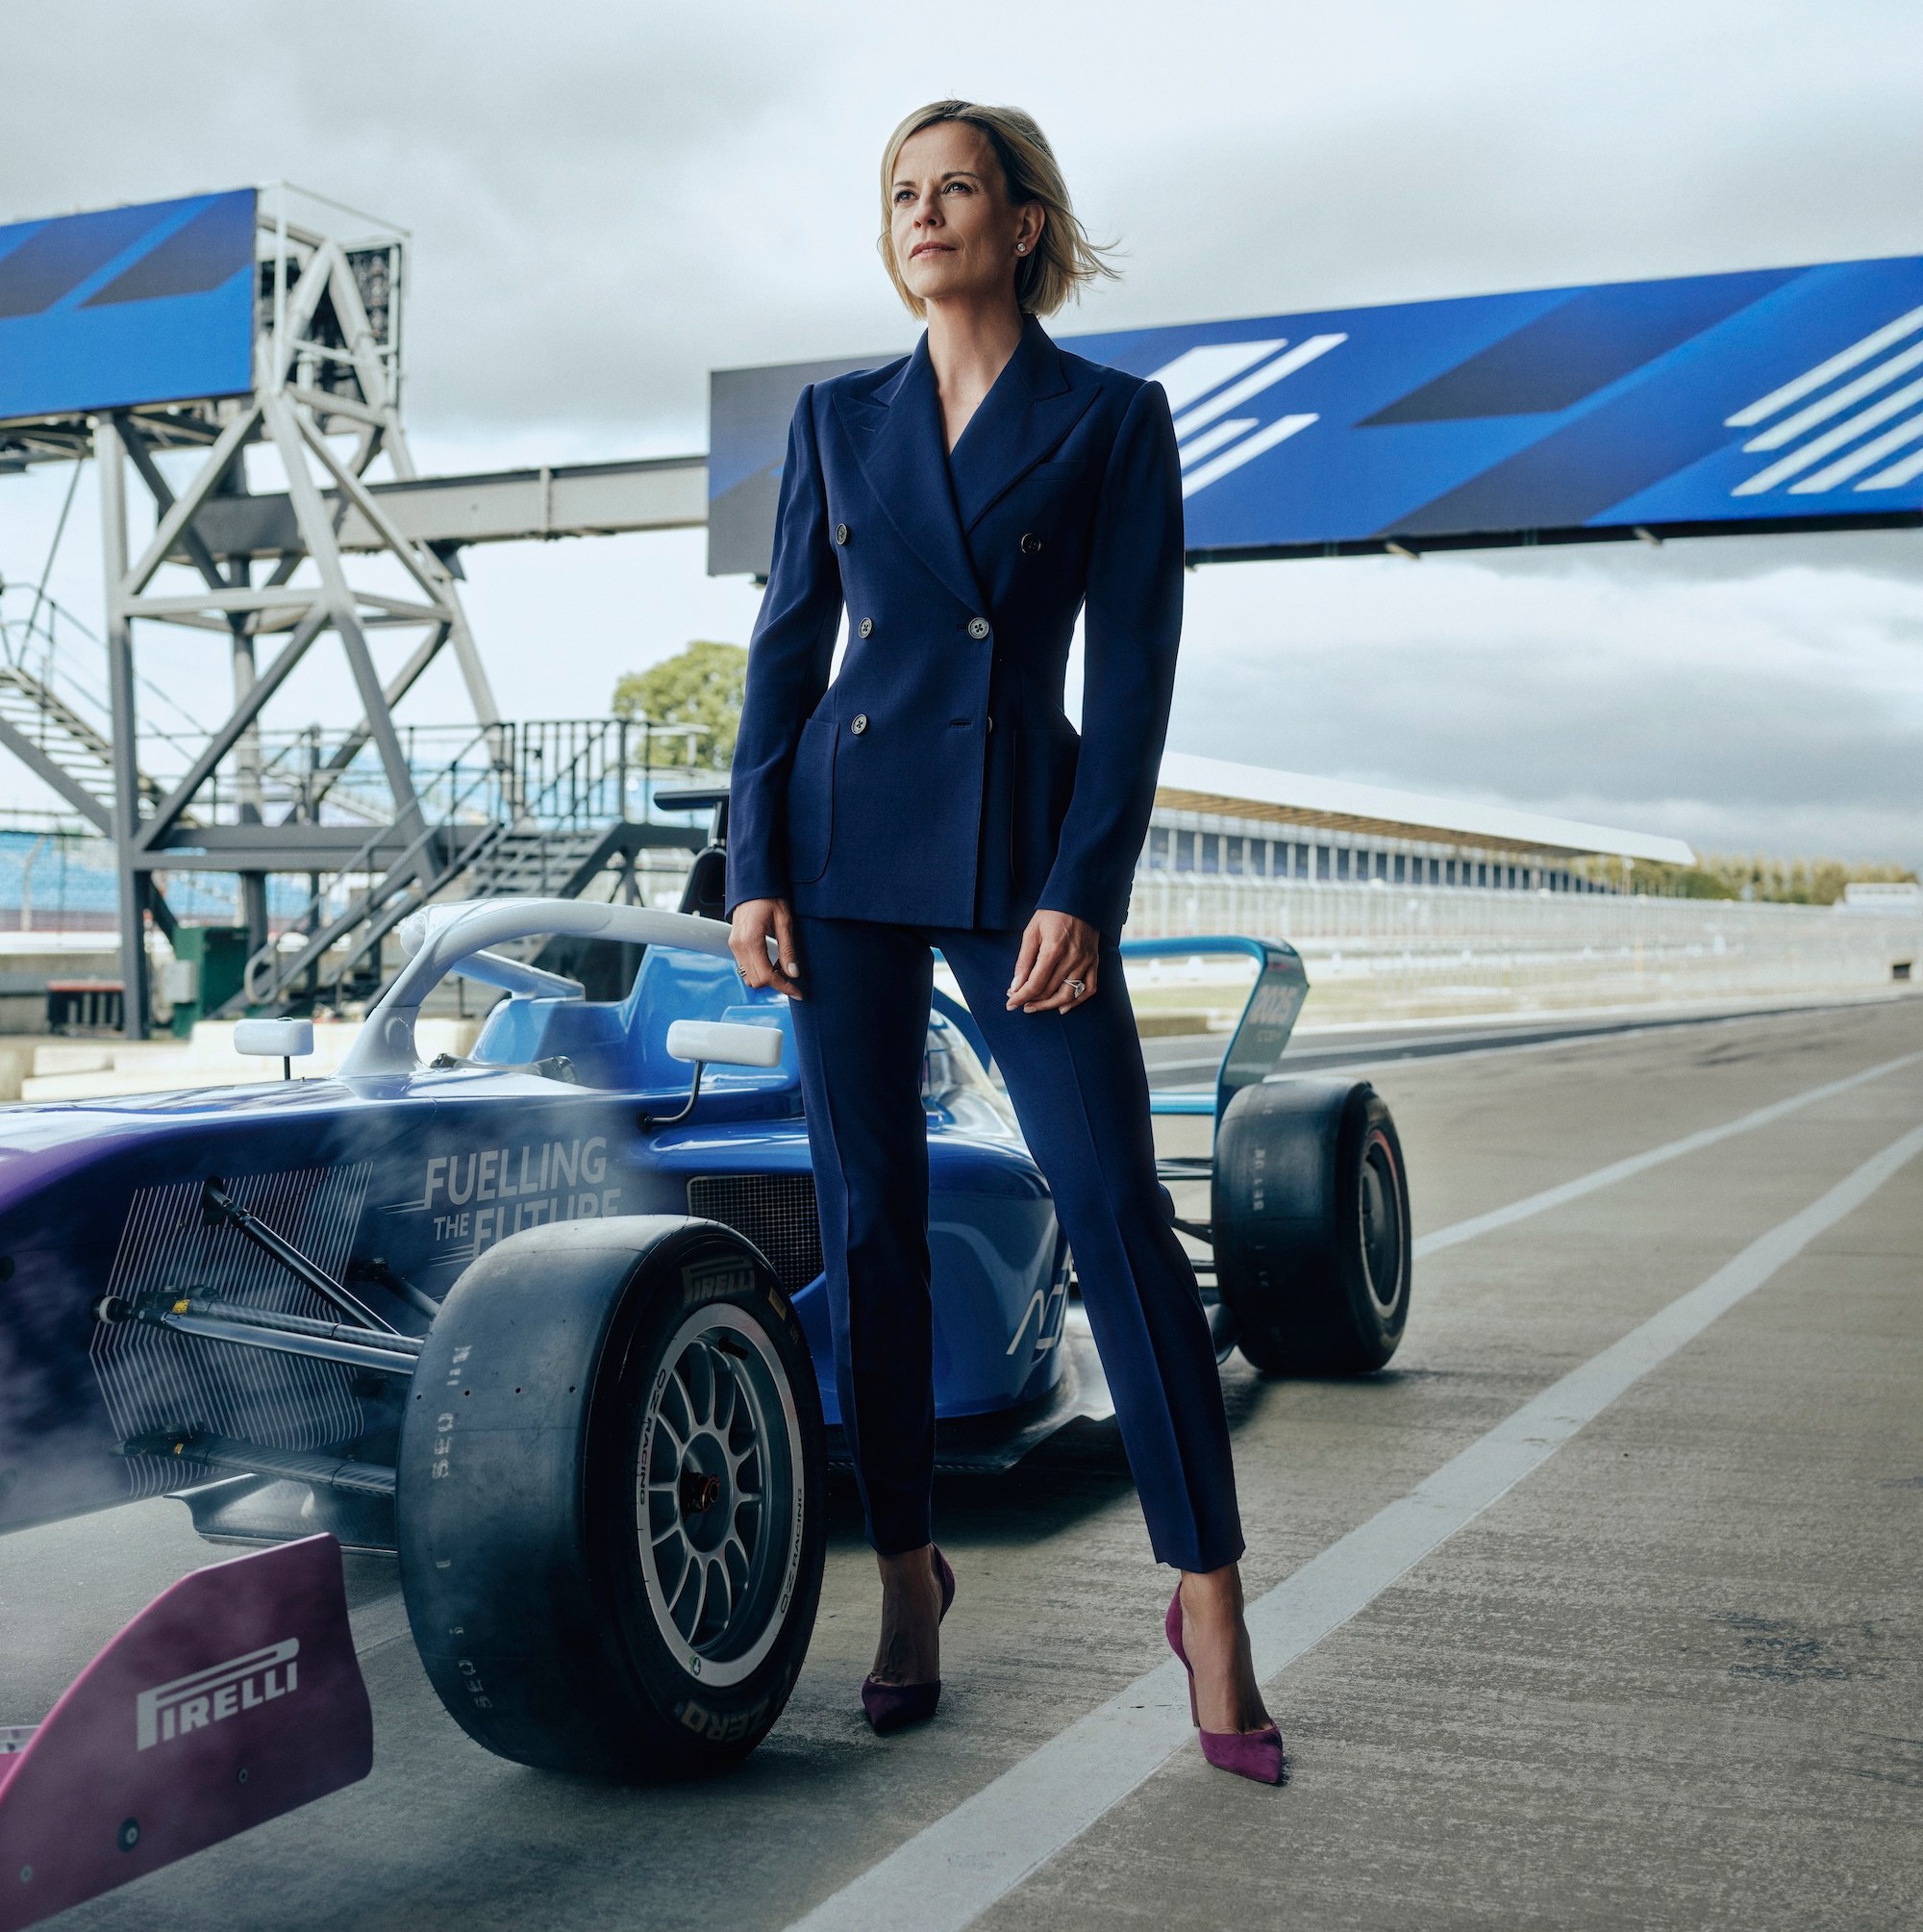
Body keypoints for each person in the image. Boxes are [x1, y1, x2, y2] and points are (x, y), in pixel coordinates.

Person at [725, 99, 1282, 1784]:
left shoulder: (1113, 420)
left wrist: (1083, 888)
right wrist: (750, 858)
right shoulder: (835, 419)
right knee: (871, 1222)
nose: (924, 213)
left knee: (1115, 1205)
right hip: (837, 853)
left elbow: (1133, 684)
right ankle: (906, 1572)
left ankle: (1210, 1594)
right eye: (901, 192)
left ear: (1025, 220)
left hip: (1021, 853)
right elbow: (781, 657)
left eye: (955, 187)